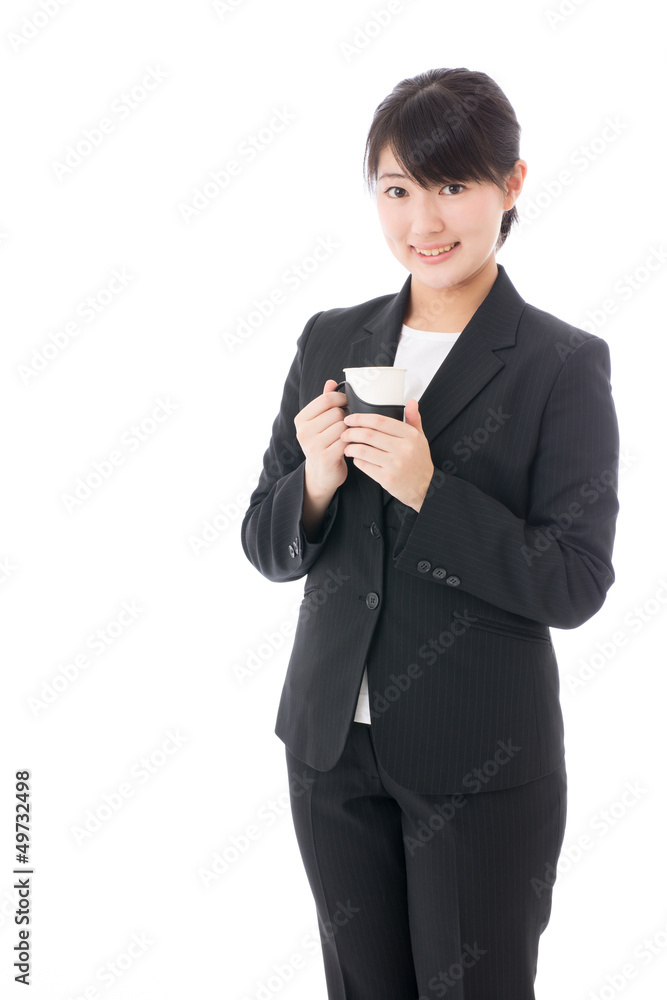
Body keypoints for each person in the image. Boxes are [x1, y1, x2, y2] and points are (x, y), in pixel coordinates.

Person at [240, 67, 620, 1000]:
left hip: (476, 761)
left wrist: (429, 492)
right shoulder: (330, 340)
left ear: (512, 185)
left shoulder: (559, 363)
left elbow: (574, 581)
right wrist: (317, 483)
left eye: (453, 186)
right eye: (398, 189)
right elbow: (264, 541)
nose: (424, 222)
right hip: (329, 750)